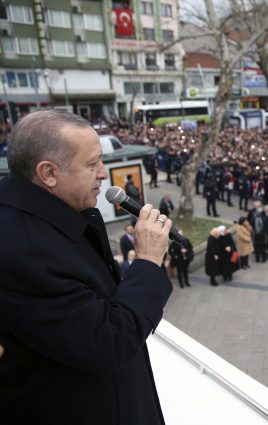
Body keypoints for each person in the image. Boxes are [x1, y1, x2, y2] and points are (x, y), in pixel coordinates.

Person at [0, 110, 173, 424]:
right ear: (48, 173)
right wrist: (147, 261)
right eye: (92, 164)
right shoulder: (21, 249)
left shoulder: (46, 216)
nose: (104, 174)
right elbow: (108, 342)